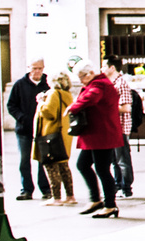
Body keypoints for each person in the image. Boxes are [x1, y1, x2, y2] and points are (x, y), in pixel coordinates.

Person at [67, 63, 123, 218]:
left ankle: (110, 205)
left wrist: (73, 107)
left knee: (102, 169)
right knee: (83, 165)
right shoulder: (99, 82)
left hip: (101, 134)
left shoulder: (99, 84)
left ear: (90, 73)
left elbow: (91, 98)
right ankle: (95, 200)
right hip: (96, 134)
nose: (82, 81)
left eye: (82, 77)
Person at [6, 59, 49, 201]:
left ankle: (46, 189)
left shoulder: (47, 85)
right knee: (24, 160)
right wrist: (22, 118)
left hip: (42, 129)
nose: (37, 71)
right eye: (34, 68)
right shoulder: (19, 84)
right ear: (29, 68)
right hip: (24, 129)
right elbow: (11, 105)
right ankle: (26, 189)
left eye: (40, 68)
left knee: (44, 160)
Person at [34, 71, 74, 206]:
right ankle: (70, 195)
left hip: (50, 133)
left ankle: (56, 197)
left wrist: (40, 102)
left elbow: (49, 112)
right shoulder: (67, 95)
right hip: (63, 134)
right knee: (63, 165)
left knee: (51, 165)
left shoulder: (53, 93)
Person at [103, 55, 134, 198]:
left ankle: (126, 187)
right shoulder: (111, 82)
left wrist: (107, 107)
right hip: (113, 127)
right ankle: (118, 184)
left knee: (122, 159)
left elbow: (126, 107)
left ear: (112, 67)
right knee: (115, 159)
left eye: (104, 66)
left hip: (121, 127)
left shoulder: (121, 83)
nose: (101, 69)